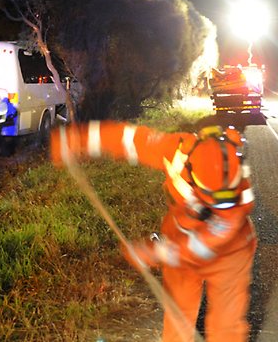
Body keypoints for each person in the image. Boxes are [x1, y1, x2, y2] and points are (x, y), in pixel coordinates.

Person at [50, 121, 257, 342]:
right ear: (191, 169)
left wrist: (154, 252)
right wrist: (77, 140)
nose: (218, 204)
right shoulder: (178, 150)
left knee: (226, 326)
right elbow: (132, 139)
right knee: (178, 316)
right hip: (181, 238)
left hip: (231, 254)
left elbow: (203, 244)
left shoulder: (234, 199)